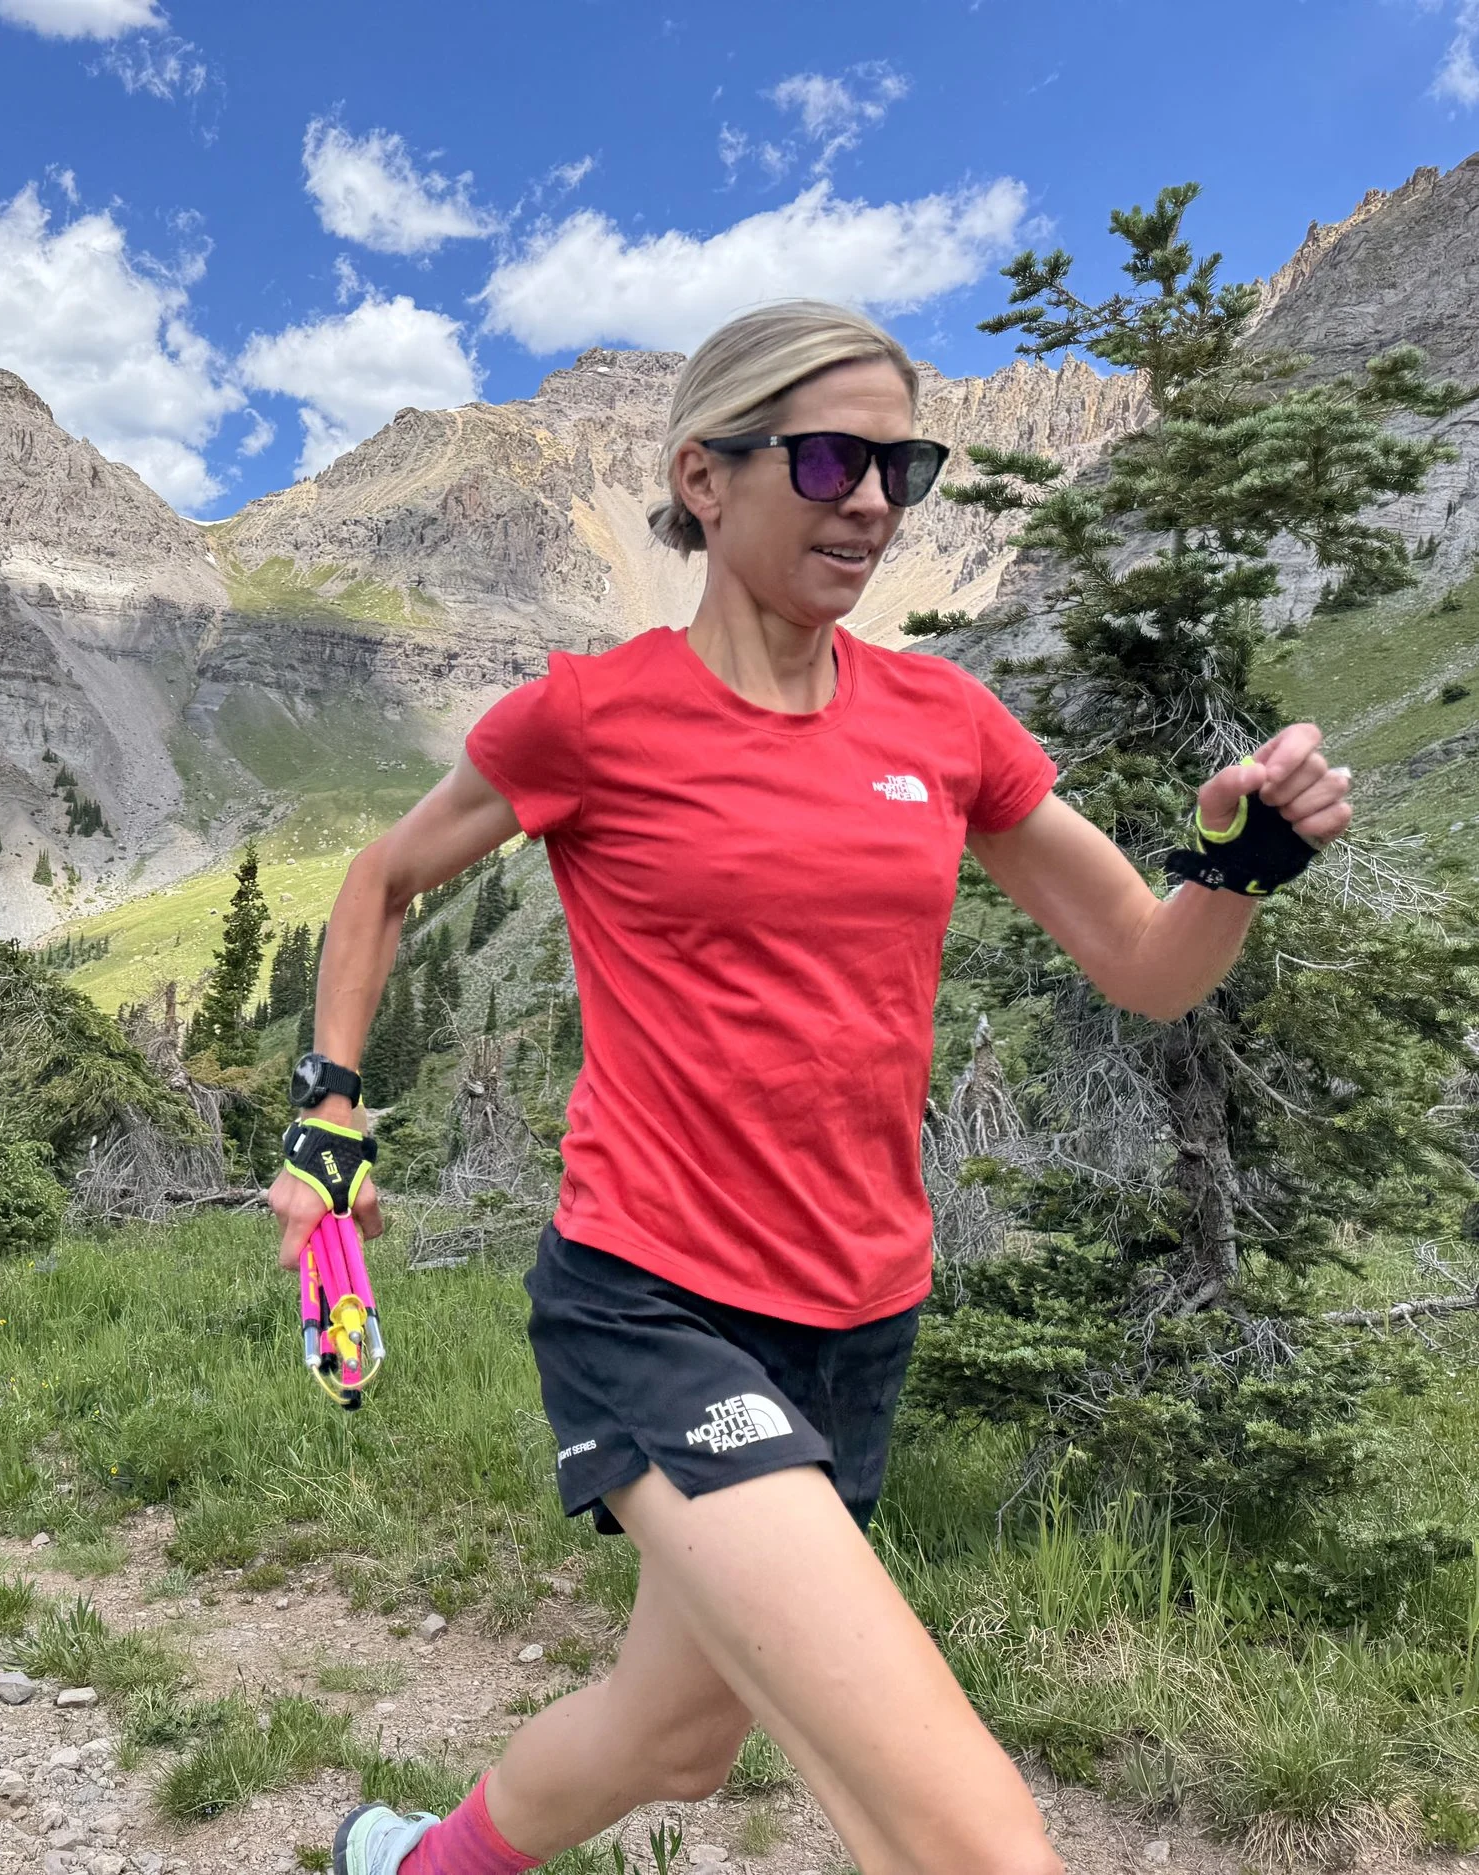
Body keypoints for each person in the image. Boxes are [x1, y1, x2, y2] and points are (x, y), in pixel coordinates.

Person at [270, 300, 1353, 1875]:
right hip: (650, 1297)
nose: (873, 501)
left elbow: (1147, 959)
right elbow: (380, 879)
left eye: (901, 465)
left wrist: (1242, 861)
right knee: (973, 1836)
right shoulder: (591, 714)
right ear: (703, 479)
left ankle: (416, 1865)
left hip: (859, 1316)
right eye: (834, 456)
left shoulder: (943, 720)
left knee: (680, 1737)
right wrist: (330, 1102)